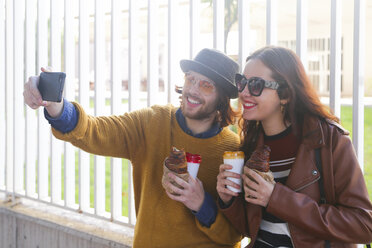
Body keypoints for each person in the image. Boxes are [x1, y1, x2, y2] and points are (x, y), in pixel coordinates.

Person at [24, 48, 243, 247]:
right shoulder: (153, 122)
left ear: (223, 98)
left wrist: (201, 203)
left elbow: (234, 236)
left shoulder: (232, 153)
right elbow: (94, 131)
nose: (192, 90)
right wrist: (56, 106)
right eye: (190, 79)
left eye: (205, 85)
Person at [216, 46, 372, 247]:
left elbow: (363, 224)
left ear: (285, 94)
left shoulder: (330, 141)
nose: (244, 92)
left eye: (255, 85)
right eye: (242, 82)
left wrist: (277, 198)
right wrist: (228, 200)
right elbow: (252, 228)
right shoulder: (252, 145)